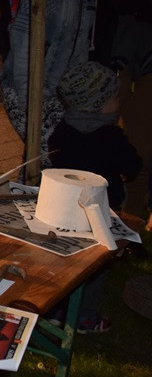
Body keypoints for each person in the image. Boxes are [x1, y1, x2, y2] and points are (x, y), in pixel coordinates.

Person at [1, 0, 132, 166]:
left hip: (61, 93)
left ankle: (28, 199)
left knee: (50, 160)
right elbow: (23, 33)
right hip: (30, 87)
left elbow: (81, 45)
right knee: (53, 157)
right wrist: (29, 92)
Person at [48, 61, 142, 333]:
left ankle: (57, 308)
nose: (118, 99)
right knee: (97, 267)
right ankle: (84, 316)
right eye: (114, 96)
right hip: (103, 212)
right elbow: (133, 167)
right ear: (101, 104)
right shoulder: (111, 137)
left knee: (68, 262)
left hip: (65, 209)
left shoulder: (62, 131)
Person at [92, 0, 152, 220]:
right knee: (101, 143)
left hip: (142, 70)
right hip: (107, 71)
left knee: (140, 146)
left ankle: (136, 220)